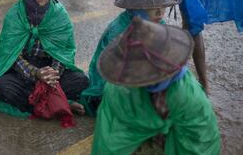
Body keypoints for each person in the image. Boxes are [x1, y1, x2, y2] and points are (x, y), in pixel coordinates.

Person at [91, 17, 220, 154]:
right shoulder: (118, 90)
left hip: (175, 132)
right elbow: (110, 139)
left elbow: (201, 142)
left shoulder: (187, 95)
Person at [0, 0, 89, 118]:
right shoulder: (15, 15)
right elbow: (12, 55)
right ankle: (60, 103)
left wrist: (51, 75)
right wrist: (36, 74)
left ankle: (41, 102)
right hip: (23, 73)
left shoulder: (59, 15)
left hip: (51, 71)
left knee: (81, 81)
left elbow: (62, 53)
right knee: (2, 87)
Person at [79, 0, 181, 116]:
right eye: (154, 8)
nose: (160, 13)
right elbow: (117, 73)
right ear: (138, 8)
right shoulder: (119, 31)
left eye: (163, 8)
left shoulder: (159, 24)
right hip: (115, 85)